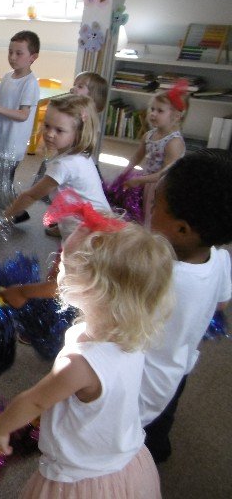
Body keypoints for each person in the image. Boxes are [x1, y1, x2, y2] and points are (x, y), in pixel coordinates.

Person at [0, 205, 174, 498]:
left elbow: (33, 401)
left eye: (64, 264)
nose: (57, 266)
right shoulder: (132, 337)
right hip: (129, 461)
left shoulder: (79, 363)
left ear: (91, 289)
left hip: (81, 481)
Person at [140, 150, 232, 464]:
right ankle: (157, 448)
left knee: (132, 431)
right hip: (180, 363)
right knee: (163, 416)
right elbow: (222, 302)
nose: (149, 208)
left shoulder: (159, 275)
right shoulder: (220, 258)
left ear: (182, 229)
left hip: (142, 377)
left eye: (156, 205)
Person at [4, 94, 110, 238]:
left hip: (90, 232)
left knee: (71, 251)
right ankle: (63, 225)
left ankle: (68, 228)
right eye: (47, 126)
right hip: (100, 219)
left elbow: (31, 195)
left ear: (78, 133)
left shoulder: (64, 165)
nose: (49, 134)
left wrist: (6, 216)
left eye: (59, 130)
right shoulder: (81, 155)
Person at [0, 30, 41, 213]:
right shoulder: (7, 77)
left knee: (3, 183)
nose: (12, 57)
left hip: (11, 144)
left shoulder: (30, 83)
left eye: (19, 53)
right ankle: (4, 213)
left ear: (33, 57)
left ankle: (11, 215)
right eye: (10, 52)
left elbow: (23, 114)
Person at [117, 87, 187, 227]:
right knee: (141, 212)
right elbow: (137, 156)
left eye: (160, 111)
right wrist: (126, 171)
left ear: (176, 116)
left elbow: (165, 174)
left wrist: (139, 180)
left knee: (154, 215)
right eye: (152, 109)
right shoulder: (148, 135)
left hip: (164, 186)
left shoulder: (173, 142)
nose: (153, 114)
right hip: (148, 180)